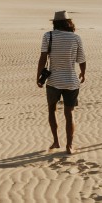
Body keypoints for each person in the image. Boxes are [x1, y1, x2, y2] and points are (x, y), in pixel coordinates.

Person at [38, 10, 86, 154]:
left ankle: (56, 141)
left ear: (54, 23)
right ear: (68, 22)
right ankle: (69, 146)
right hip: (71, 80)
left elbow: (42, 57)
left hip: (53, 80)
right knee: (69, 113)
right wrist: (83, 73)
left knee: (52, 110)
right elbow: (82, 59)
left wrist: (38, 76)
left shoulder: (48, 36)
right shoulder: (76, 38)